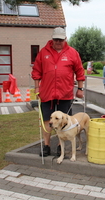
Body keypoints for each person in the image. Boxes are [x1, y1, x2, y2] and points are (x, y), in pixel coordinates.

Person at [31, 27, 85, 157]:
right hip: (47, 93)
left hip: (65, 94)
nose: (58, 42)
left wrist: (80, 88)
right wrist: (37, 88)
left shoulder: (72, 53)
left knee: (64, 121)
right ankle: (46, 146)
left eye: (60, 39)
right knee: (47, 121)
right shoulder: (43, 52)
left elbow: (79, 71)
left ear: (65, 39)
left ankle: (61, 146)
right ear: (52, 38)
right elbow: (36, 71)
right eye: (56, 39)